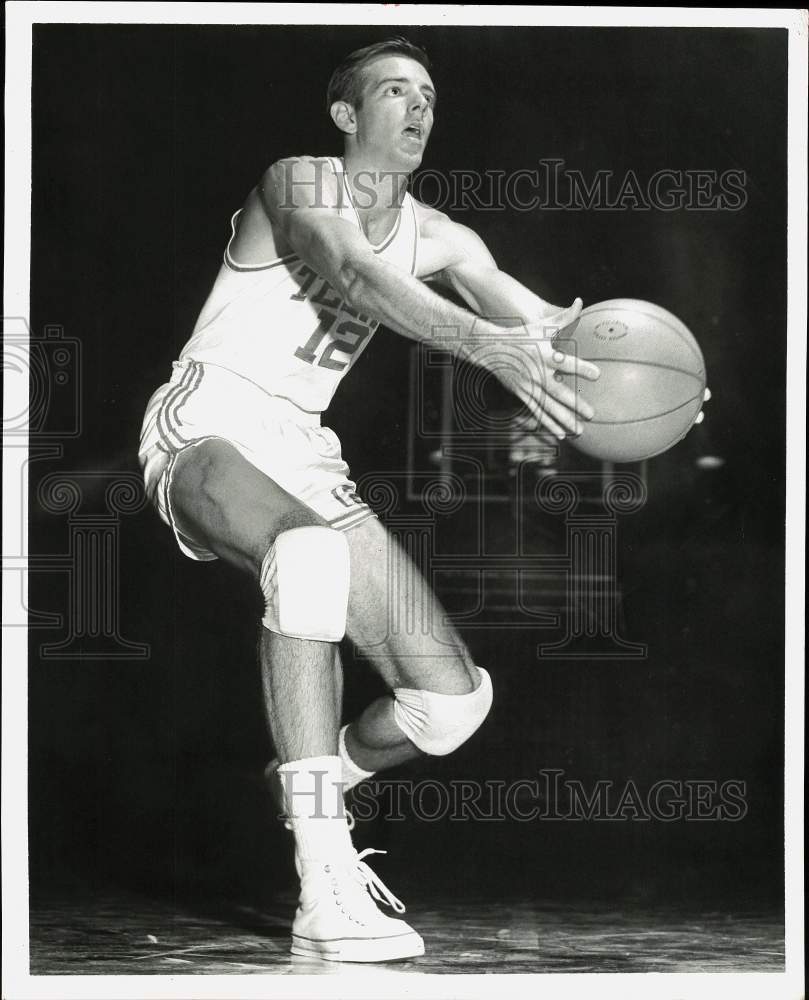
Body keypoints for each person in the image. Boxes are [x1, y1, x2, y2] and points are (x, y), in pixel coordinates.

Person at [138, 36, 599, 963]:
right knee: (306, 560)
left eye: (427, 93)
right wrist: (482, 345)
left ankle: (311, 775)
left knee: (450, 707)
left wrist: (643, 376)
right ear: (347, 116)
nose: (418, 106)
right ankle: (323, 877)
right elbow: (352, 272)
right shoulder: (298, 180)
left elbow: (550, 328)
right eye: (394, 90)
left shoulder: (445, 239)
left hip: (305, 449)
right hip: (210, 421)